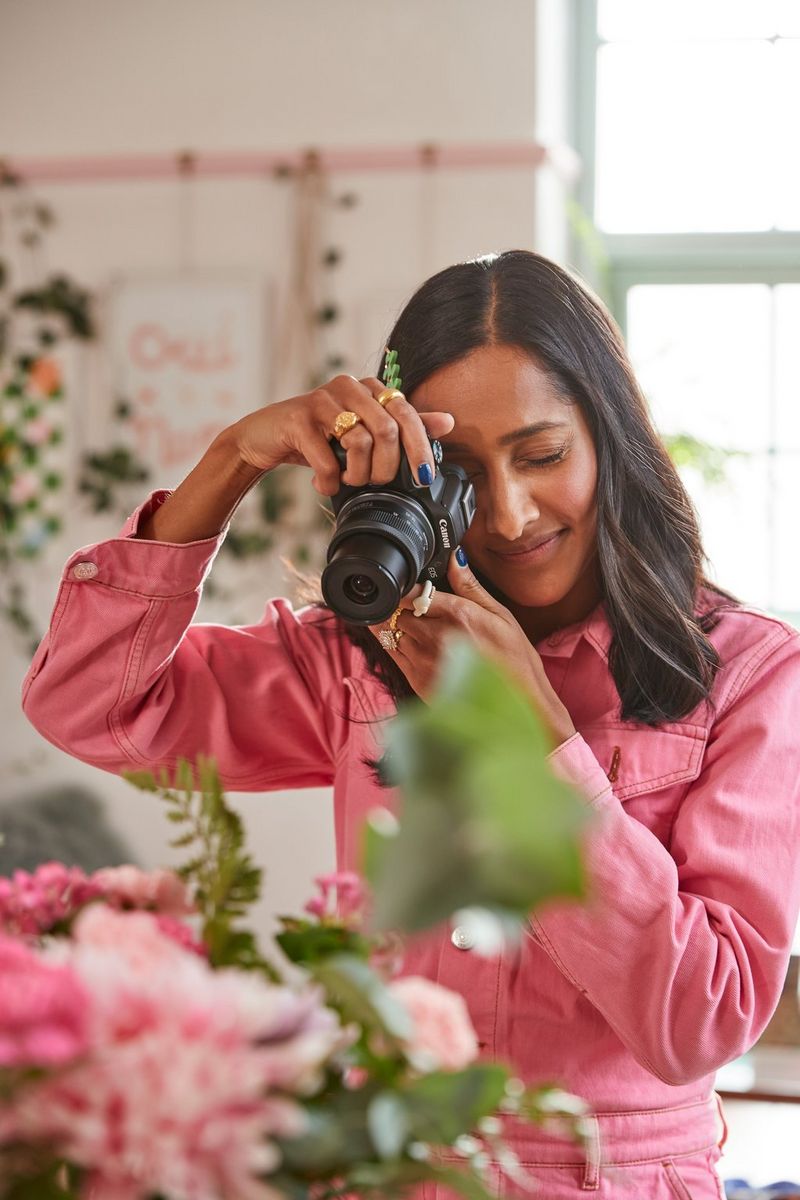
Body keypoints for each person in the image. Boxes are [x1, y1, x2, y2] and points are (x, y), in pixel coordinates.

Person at [22, 250, 800, 1199]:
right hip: (388, 1175)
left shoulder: (750, 675)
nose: (510, 515)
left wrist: (531, 744)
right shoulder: (362, 659)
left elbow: (703, 1022)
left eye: (544, 455)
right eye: (464, 474)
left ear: (612, 443)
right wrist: (232, 459)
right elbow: (88, 700)